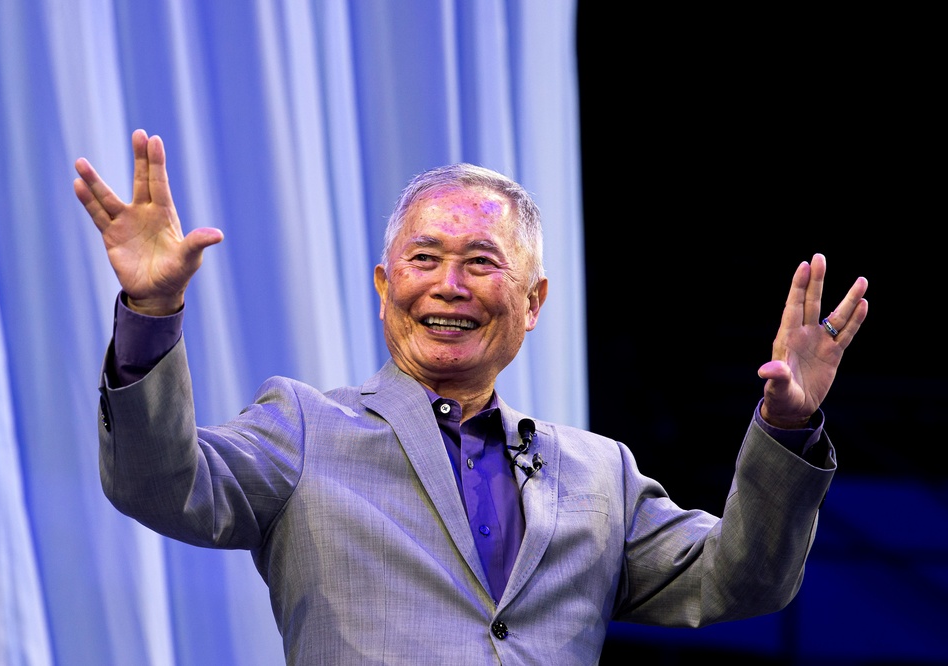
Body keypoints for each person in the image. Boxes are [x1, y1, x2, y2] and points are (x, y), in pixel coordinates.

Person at [73, 129, 868, 665]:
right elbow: (157, 482)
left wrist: (786, 424)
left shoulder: (599, 476)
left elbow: (746, 579)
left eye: (481, 262)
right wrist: (152, 312)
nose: (448, 286)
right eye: (424, 258)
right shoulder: (304, 430)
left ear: (533, 301)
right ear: (385, 290)